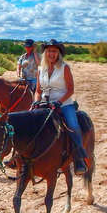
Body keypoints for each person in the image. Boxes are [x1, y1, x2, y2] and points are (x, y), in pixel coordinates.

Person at [34, 39, 88, 175]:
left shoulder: (65, 68)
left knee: (73, 126)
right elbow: (38, 90)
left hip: (64, 104)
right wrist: (36, 101)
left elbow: (70, 89)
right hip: (44, 103)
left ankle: (79, 158)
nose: (52, 54)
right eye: (49, 51)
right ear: (45, 53)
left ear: (58, 53)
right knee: (29, 123)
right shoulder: (40, 69)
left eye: (54, 51)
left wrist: (59, 101)